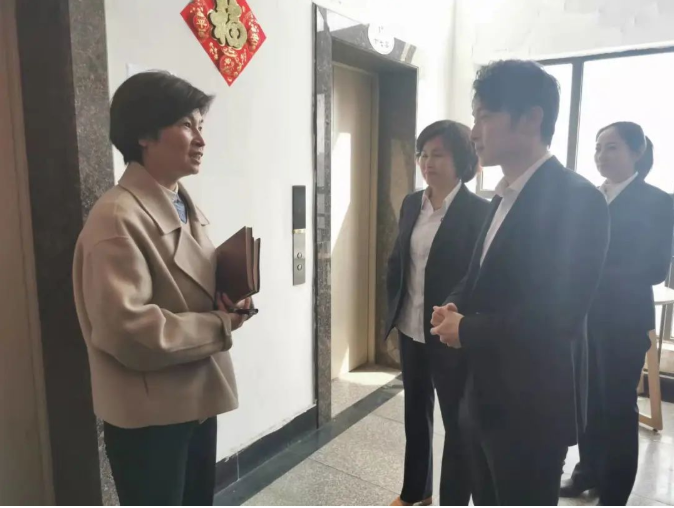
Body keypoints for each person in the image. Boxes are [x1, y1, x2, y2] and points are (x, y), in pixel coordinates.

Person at [430, 60, 610, 506]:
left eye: (485, 116)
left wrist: (466, 329)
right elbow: (477, 274)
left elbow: (559, 318)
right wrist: (453, 305)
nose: (474, 131)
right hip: (481, 395)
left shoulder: (578, 200)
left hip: (531, 408)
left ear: (531, 118)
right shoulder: (503, 195)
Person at [72, 71, 252, 505]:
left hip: (193, 401)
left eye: (201, 126)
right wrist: (219, 324)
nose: (201, 140)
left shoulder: (179, 200)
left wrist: (228, 296)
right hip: (150, 418)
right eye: (186, 125)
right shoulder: (117, 218)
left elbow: (186, 284)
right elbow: (127, 331)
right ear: (143, 135)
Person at [560, 122, 674, 505]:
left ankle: (614, 493)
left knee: (617, 409)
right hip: (582, 318)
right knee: (588, 403)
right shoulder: (590, 197)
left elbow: (655, 268)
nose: (601, 155)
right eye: (598, 148)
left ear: (637, 152)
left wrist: (590, 269)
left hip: (623, 322)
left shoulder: (658, 202)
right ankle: (587, 473)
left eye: (612, 147)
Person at [385, 120, 490, 506]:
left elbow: (476, 278)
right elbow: (400, 260)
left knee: (457, 423)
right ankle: (416, 491)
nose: (427, 162)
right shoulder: (412, 203)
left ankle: (453, 500)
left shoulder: (480, 212)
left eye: (438, 155)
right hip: (410, 326)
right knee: (416, 413)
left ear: (461, 159)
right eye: (423, 154)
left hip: (449, 332)